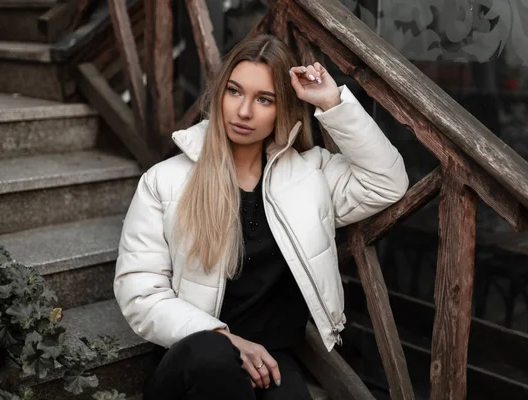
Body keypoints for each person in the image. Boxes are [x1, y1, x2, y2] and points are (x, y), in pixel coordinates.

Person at [114, 34, 408, 400]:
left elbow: (387, 182)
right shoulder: (165, 181)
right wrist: (224, 337)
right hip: (194, 359)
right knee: (214, 357)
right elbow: (140, 292)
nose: (243, 111)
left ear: (283, 108)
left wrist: (332, 102)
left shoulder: (309, 176)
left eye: (264, 99)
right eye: (234, 92)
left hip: (270, 360)